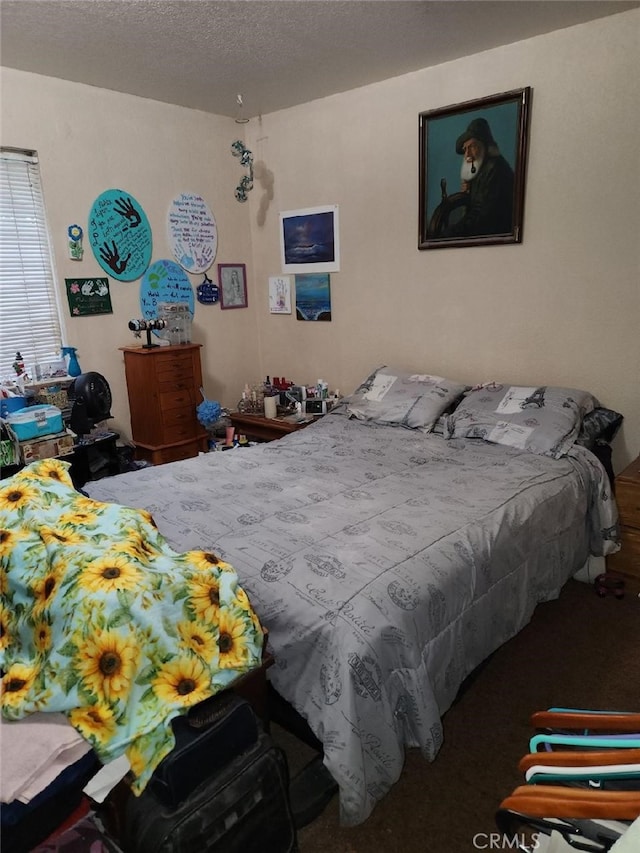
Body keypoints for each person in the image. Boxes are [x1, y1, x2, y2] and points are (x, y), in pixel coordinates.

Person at [443, 117, 515, 238]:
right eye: (465, 149)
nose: (467, 154)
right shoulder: (481, 169)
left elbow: (482, 216)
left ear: (485, 146)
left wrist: (451, 233)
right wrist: (467, 193)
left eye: (471, 146)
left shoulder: (495, 169)